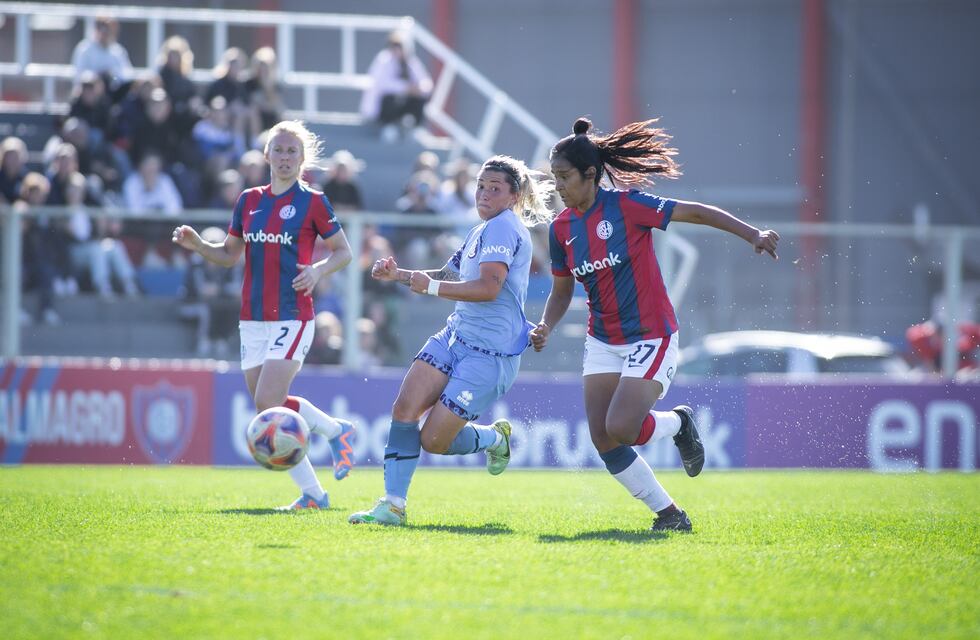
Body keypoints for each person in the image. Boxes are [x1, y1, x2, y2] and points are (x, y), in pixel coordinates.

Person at [529, 117, 780, 532]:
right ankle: (670, 515)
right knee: (603, 437)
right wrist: (546, 326)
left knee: (623, 427)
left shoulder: (627, 206)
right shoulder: (561, 230)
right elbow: (560, 292)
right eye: (554, 177)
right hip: (603, 339)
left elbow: (696, 213)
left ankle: (679, 422)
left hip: (651, 333)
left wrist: (751, 233)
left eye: (565, 177)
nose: (558, 186)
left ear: (590, 175)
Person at [349, 155, 555, 526]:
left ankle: (494, 440)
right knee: (404, 409)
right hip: (455, 337)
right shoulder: (481, 229)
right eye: (480, 186)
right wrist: (400, 275)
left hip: (490, 356)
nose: (484, 194)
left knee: (434, 441)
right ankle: (393, 506)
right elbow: (447, 273)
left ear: (513, 197)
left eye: (495, 189)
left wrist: (431, 288)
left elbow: (489, 288)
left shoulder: (506, 228)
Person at [172, 120, 356, 510]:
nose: (285, 157)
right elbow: (227, 255)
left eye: (292, 150)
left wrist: (318, 270)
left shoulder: (313, 201)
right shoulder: (249, 200)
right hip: (252, 317)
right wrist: (198, 245)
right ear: (267, 155)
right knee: (265, 405)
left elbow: (344, 252)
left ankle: (324, 462)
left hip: (293, 314)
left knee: (270, 399)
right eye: (279, 149)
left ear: (302, 158)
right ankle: (320, 476)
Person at [359, 32, 432, 142]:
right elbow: (382, 85)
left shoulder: (411, 61)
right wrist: (407, 88)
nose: (397, 50)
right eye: (394, 46)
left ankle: (415, 128)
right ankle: (388, 126)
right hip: (382, 109)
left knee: (420, 99)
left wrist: (419, 89)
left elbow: (426, 83)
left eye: (400, 47)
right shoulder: (383, 60)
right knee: (389, 99)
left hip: (401, 105)